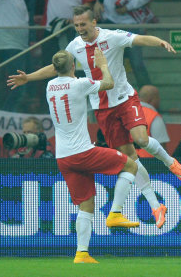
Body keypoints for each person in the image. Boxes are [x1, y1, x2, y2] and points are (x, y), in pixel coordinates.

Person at [7, 5, 181, 230]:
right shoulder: (75, 45)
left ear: (94, 22)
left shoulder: (112, 37)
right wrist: (29, 78)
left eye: (83, 24)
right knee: (130, 158)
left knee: (141, 139)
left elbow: (140, 39)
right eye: (76, 25)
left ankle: (170, 162)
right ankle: (155, 206)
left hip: (124, 97)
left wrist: (159, 41)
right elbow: (56, 67)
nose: (80, 29)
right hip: (102, 107)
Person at [47, 49, 139, 264]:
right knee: (131, 165)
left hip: (63, 157)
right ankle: (115, 213)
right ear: (72, 66)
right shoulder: (79, 84)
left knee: (86, 204)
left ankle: (81, 254)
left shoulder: (49, 86)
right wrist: (103, 65)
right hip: (82, 152)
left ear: (55, 68)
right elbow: (108, 84)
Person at [92, 0, 157, 89]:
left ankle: (150, 99)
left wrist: (129, 6)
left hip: (132, 22)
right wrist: (97, 1)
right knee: (108, 65)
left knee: (137, 64)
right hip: (109, 21)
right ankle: (110, 100)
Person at [0, 0, 29, 112]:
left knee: (20, 87)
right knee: (19, 88)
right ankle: (7, 115)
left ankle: (8, 114)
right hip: (9, 45)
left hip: (20, 46)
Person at [40, 0, 96, 66]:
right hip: (51, 30)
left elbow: (89, 3)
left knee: (71, 68)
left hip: (74, 32)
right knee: (49, 67)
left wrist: (77, 19)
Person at [135, 85, 170, 158]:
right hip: (149, 164)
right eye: (158, 97)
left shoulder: (126, 113)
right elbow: (161, 148)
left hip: (126, 163)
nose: (159, 100)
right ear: (152, 99)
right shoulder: (154, 117)